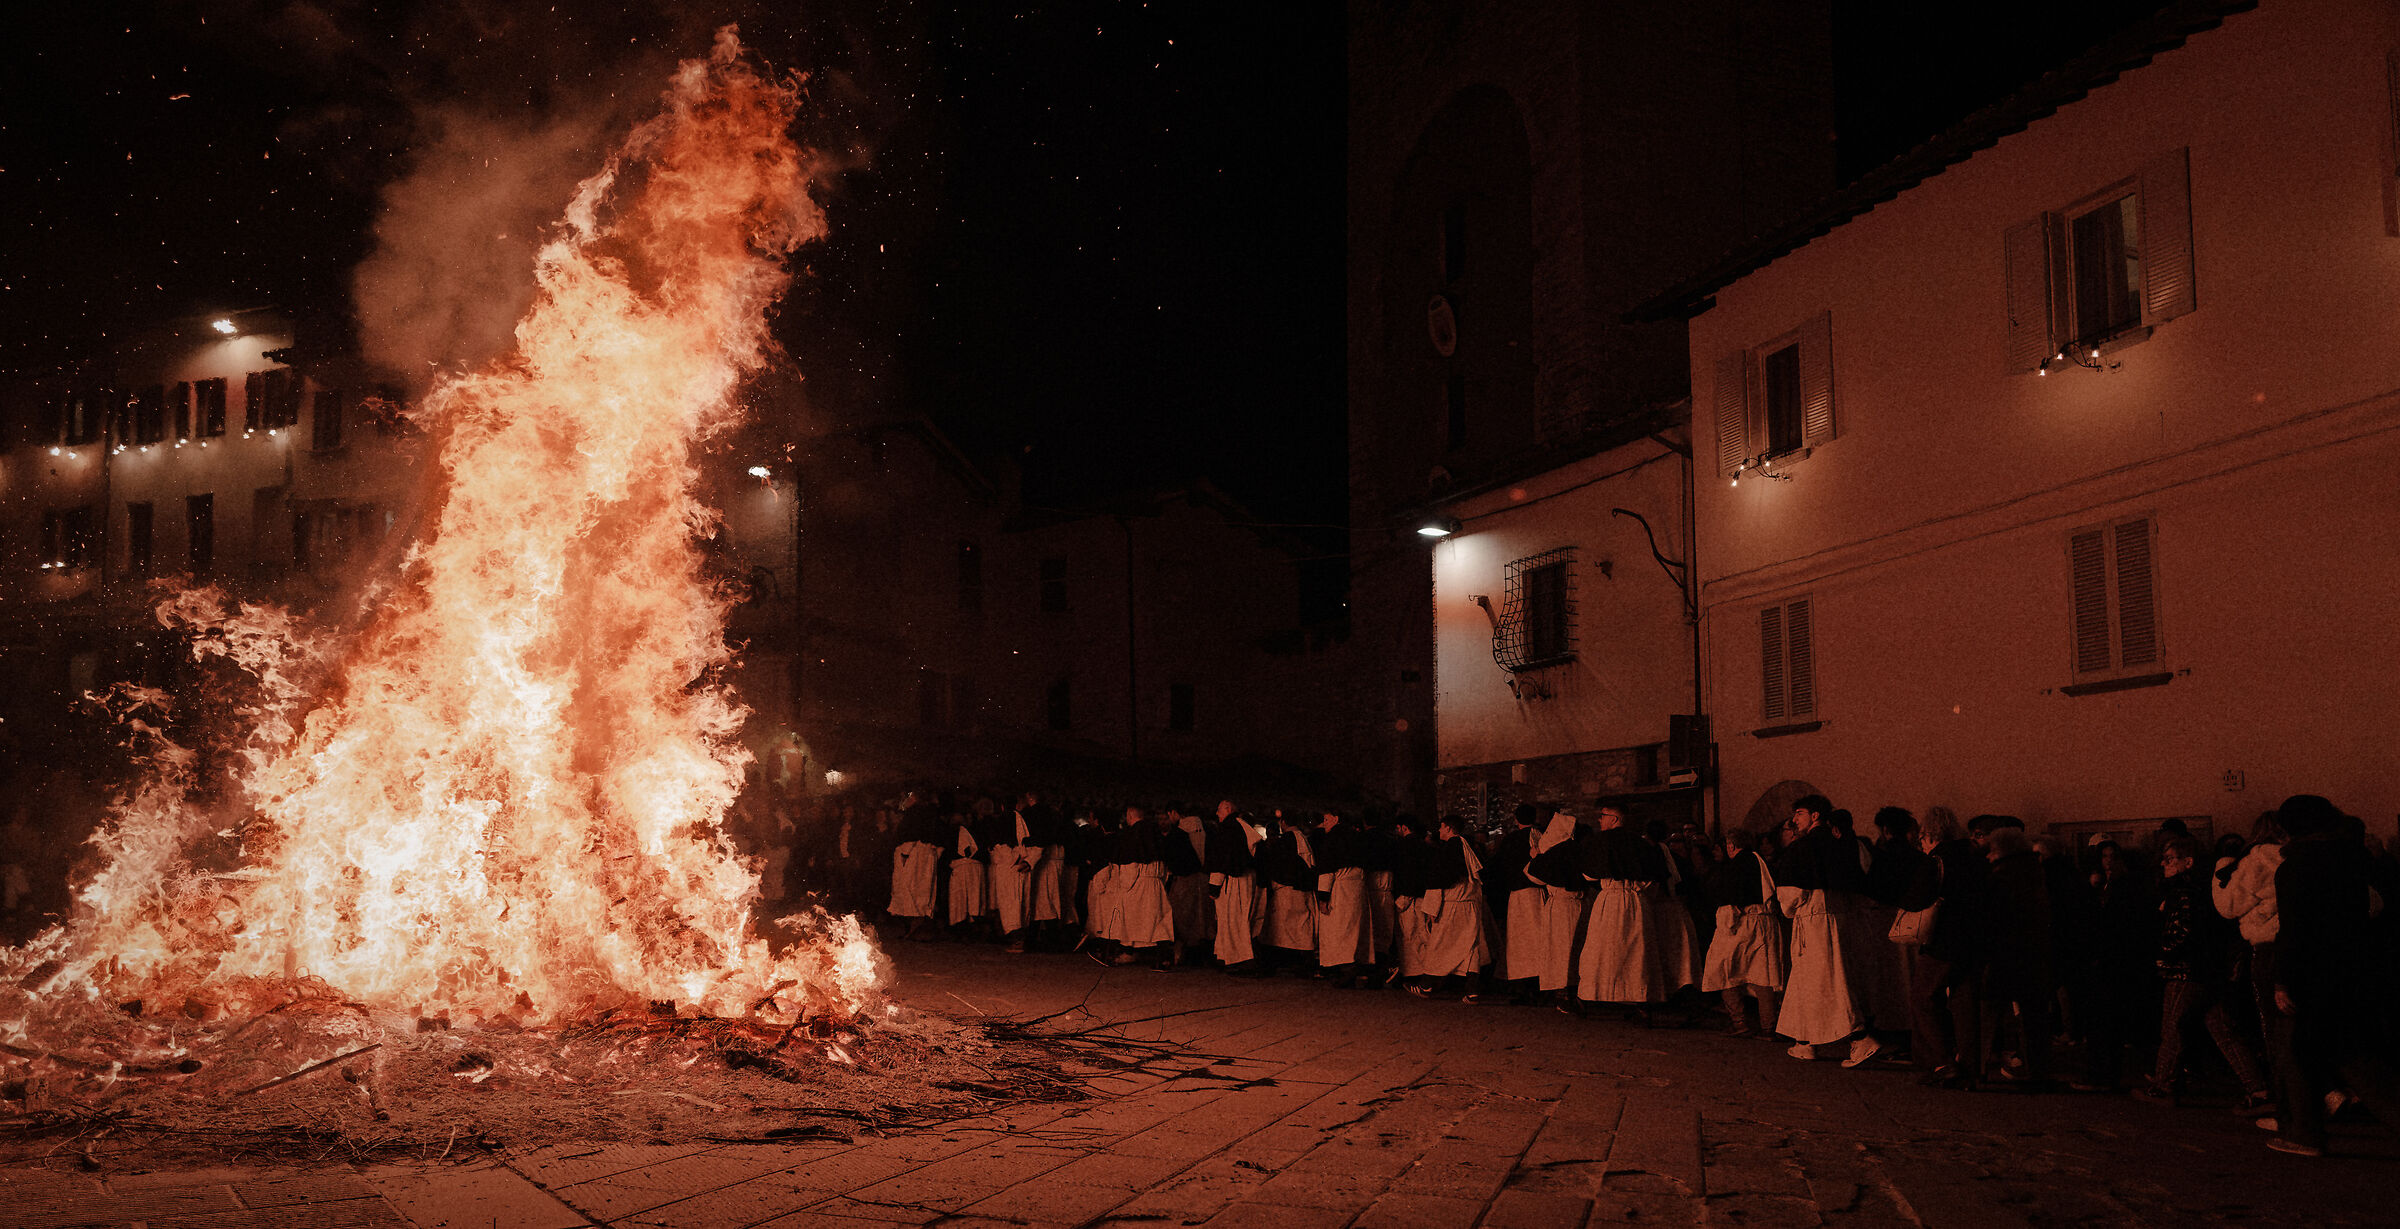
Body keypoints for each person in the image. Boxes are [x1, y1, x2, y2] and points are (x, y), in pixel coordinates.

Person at [2266, 795, 2399, 1156]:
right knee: (2353, 1053)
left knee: (2306, 1052)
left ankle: (2304, 1132)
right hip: (2355, 969)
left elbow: (2294, 930)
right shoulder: (2353, 860)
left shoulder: (2296, 867)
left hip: (2313, 975)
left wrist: (2282, 980)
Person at [2143, 834, 2270, 1107]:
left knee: (2174, 1027)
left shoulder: (2182, 892)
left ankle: (2163, 1086)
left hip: (2187, 971)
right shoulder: (2208, 889)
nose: (2164, 864)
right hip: (2210, 972)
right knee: (2224, 1030)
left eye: (2170, 859)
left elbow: (2181, 932)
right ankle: (2258, 1089)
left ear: (2187, 862)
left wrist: (2165, 956)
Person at [1774, 795, 1879, 1065]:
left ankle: (1860, 1039)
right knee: (1808, 982)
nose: (1794, 819)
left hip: (1813, 918)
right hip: (1838, 914)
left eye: (1799, 813)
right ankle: (1804, 1040)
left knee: (1828, 981)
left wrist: (1789, 908)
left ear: (1815, 815)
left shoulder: (1803, 847)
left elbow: (1791, 893)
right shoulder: (1841, 845)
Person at [1903, 807, 1988, 1089]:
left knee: (1922, 997)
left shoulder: (1937, 860)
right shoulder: (1976, 857)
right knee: (1965, 1006)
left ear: (1930, 834)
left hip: (1943, 941)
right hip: (1974, 941)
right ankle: (1972, 1071)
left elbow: (1916, 899)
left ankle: (1940, 1062)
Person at [1572, 805, 1668, 1022]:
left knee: (1601, 950)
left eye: (1603, 816)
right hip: (1637, 902)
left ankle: (1589, 996)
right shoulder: (1640, 843)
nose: (1599, 820)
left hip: (1610, 900)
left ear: (1614, 819)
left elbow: (1588, 874)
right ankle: (1640, 1000)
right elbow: (1655, 877)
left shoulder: (1600, 842)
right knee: (1637, 952)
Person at [1981, 825, 2057, 1087]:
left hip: (2005, 955)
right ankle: (2038, 1070)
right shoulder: (2037, 873)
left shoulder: (2000, 878)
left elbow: (1991, 920)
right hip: (2035, 955)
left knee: (1989, 1012)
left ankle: (1978, 1068)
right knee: (2034, 1017)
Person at [1701, 828, 1786, 1036]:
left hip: (1741, 922)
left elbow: (1730, 900)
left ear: (1730, 846)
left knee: (1723, 970)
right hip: (1766, 922)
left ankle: (1739, 1022)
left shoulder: (1734, 866)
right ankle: (1769, 1026)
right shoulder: (1761, 862)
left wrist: (1725, 925)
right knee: (1763, 976)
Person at [1406, 814, 1493, 996]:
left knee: (1439, 944)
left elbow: (1438, 881)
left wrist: (1431, 909)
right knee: (1471, 946)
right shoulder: (1470, 848)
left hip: (1452, 905)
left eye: (1441, 827)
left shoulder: (1447, 850)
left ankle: (1426, 985)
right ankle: (1472, 990)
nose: (1439, 830)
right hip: (1470, 905)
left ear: (1447, 828)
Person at [1522, 806, 1587, 1004]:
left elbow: (1533, 875)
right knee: (1576, 948)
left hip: (1560, 904)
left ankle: (1563, 989)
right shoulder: (1580, 850)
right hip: (1579, 903)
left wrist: (1537, 857)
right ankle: (1575, 988)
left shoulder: (1556, 854)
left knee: (1560, 949)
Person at [1313, 811, 1373, 987]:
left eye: (1325, 819)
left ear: (1336, 819)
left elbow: (1326, 868)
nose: (1323, 824)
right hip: (1358, 886)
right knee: (1355, 928)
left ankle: (1345, 969)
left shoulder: (1332, 839)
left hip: (1340, 886)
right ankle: (1358, 965)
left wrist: (1323, 897)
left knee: (1338, 930)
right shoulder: (1358, 837)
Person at [1492, 804, 1545, 1002]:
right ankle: (1538, 985)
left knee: (1519, 942)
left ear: (1516, 819)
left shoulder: (1510, 841)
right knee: (1537, 940)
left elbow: (1499, 867)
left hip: (1518, 895)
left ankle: (1521, 986)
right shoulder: (1542, 837)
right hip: (1539, 894)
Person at [1206, 801, 1266, 973]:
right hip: (1247, 878)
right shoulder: (1242, 826)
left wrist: (1214, 887)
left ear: (1228, 810)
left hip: (1233, 881)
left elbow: (1221, 859)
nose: (1217, 814)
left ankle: (1241, 960)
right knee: (1239, 920)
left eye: (1219, 810)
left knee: (1233, 921)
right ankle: (1230, 957)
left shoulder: (1228, 829)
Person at [1258, 812, 1320, 965]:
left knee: (1280, 930)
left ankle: (1281, 962)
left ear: (1283, 823)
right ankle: (1302, 961)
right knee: (1301, 929)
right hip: (1304, 889)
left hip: (1286, 890)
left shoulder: (1285, 841)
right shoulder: (1305, 839)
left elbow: (1276, 866)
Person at [887, 789, 944, 940]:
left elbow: (910, 834)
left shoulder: (917, 813)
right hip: (920, 853)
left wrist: (907, 853)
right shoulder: (927, 813)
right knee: (919, 890)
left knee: (911, 889)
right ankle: (915, 927)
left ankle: (917, 927)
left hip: (914, 853)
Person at [1161, 806, 1212, 967]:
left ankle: (1181, 953)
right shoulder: (1207, 830)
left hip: (1184, 880)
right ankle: (1201, 954)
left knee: (1181, 917)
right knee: (1202, 918)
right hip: (1205, 879)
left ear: (1174, 812)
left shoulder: (1177, 834)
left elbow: (1172, 859)